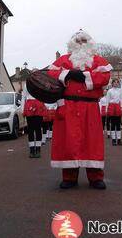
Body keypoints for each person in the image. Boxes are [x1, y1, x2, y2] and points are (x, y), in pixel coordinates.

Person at [48, 29, 112, 189]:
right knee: (69, 141)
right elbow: (51, 74)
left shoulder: (98, 60)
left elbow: (105, 77)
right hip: (68, 106)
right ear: (72, 44)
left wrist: (84, 76)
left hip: (89, 106)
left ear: (89, 43)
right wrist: (68, 74)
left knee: (92, 141)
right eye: (78, 41)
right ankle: (69, 177)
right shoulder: (63, 60)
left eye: (84, 41)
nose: (81, 44)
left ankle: (95, 177)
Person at [21, 83, 46, 158]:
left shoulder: (40, 83)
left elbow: (43, 95)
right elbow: (24, 96)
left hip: (38, 105)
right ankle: (32, 150)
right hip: (30, 105)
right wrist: (22, 109)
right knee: (31, 130)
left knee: (38, 129)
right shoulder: (27, 84)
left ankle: (38, 150)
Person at [106, 79, 122, 146]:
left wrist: (121, 106)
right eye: (114, 82)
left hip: (118, 106)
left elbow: (121, 99)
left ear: (118, 84)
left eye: (117, 82)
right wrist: (107, 109)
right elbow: (107, 100)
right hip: (112, 107)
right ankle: (113, 140)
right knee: (113, 124)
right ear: (112, 83)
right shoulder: (110, 91)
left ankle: (119, 139)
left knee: (118, 124)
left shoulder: (120, 90)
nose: (116, 83)